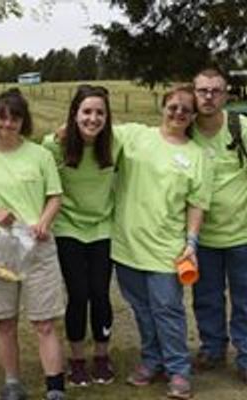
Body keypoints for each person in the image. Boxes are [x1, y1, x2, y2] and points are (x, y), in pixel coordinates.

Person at [0, 89, 66, 400]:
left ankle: (55, 388)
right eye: (2, 117)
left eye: (15, 118)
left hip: (38, 246)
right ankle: (12, 384)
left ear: (24, 120)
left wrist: (45, 221)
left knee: (44, 322)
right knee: (5, 322)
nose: (8, 124)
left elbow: (55, 196)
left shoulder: (41, 155)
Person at [112, 85, 211, 399]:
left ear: (193, 115)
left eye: (186, 109)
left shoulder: (197, 155)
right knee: (141, 309)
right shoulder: (134, 136)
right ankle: (152, 361)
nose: (179, 112)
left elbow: (197, 204)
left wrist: (191, 243)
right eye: (173, 106)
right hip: (127, 245)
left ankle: (178, 370)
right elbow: (92, 130)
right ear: (163, 107)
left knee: (168, 310)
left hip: (167, 249)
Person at [42, 85, 115, 386]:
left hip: (103, 229)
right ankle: (77, 360)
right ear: (74, 114)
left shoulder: (116, 144)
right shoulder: (53, 146)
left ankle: (101, 356)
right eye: (86, 111)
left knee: (100, 293)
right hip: (68, 228)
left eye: (100, 112)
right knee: (79, 294)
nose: (93, 118)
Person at [191, 68, 247, 382]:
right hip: (203, 239)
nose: (209, 96)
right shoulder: (183, 130)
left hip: (242, 236)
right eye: (202, 91)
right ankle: (212, 349)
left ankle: (246, 356)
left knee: (246, 300)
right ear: (194, 93)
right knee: (206, 298)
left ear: (226, 95)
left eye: (215, 90)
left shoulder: (241, 128)